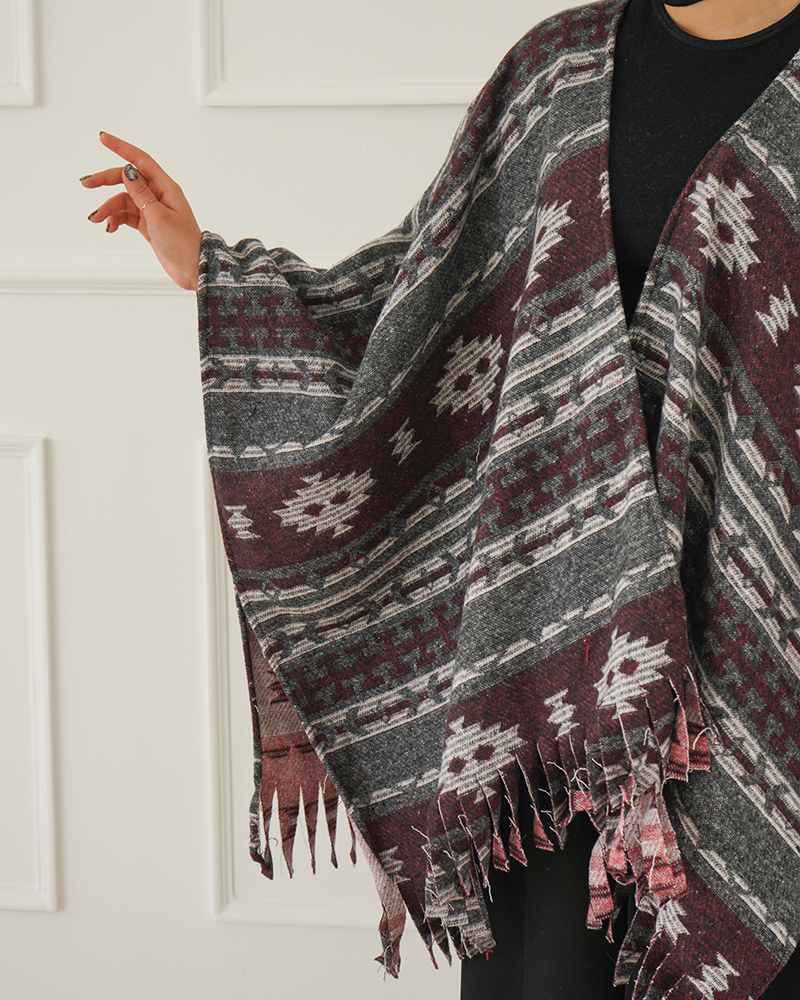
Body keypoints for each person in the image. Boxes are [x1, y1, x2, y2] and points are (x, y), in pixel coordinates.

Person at [82, 1, 800, 997]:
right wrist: (218, 270)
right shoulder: (555, 70)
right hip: (550, 706)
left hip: (763, 684)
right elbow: (421, 307)